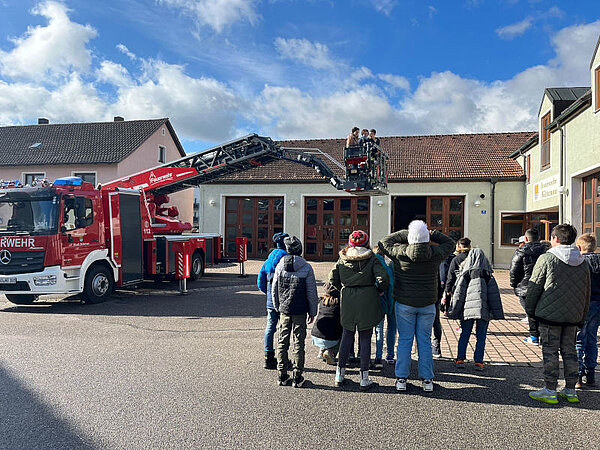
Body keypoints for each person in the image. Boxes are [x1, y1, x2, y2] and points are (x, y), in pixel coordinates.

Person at [379, 220, 454, 393]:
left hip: (404, 303)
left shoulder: (400, 253)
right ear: (427, 237)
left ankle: (401, 379)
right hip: (427, 304)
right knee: (425, 341)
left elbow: (383, 242)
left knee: (405, 341)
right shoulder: (435, 253)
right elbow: (450, 243)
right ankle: (427, 380)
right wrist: (431, 233)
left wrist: (407, 232)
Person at [526, 224, 590, 404]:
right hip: (573, 317)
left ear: (555, 238)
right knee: (570, 352)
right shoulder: (582, 261)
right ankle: (570, 389)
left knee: (550, 352)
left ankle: (549, 389)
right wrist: (582, 316)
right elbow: (587, 292)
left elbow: (534, 287)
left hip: (549, 316)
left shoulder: (547, 258)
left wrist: (531, 311)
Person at [329, 230, 389, 391]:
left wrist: (343, 287)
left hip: (348, 297)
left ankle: (339, 374)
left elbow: (332, 279)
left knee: (347, 334)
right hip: (367, 297)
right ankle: (364, 377)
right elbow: (383, 279)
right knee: (365, 336)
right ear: (365, 242)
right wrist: (379, 290)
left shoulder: (342, 258)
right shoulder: (372, 258)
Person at [272, 236, 319, 388]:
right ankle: (297, 376)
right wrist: (313, 311)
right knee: (298, 343)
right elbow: (311, 292)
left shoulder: (280, 265)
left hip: (285, 309)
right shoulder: (306, 267)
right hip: (300, 310)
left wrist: (277, 306)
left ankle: (282, 375)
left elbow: (274, 289)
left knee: (282, 341)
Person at [447, 248, 504, 370]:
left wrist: (453, 310)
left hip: (467, 311)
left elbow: (458, 295)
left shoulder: (465, 274)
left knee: (465, 333)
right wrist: (497, 313)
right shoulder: (488, 275)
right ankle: (478, 361)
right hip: (483, 310)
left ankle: (460, 359)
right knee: (481, 335)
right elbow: (494, 296)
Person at [509, 228, 546, 346]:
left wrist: (514, 284)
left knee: (530, 311)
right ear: (538, 238)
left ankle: (534, 336)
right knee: (542, 310)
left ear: (525, 239)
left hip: (525, 286)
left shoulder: (521, 251)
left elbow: (514, 270)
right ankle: (542, 335)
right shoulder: (546, 250)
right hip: (543, 285)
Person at [257, 232, 288, 369]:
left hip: (270, 301)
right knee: (283, 328)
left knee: (270, 327)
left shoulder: (268, 260)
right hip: (283, 300)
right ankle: (283, 357)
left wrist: (269, 294)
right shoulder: (286, 258)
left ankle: (268, 356)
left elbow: (260, 283)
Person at [575, 233, 600, 388]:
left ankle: (578, 375)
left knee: (579, 339)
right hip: (598, 305)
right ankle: (590, 373)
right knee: (592, 338)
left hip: (583, 304)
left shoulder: (580, 262)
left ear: (579, 247)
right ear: (595, 247)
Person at [372, 245, 396, 368]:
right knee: (392, 328)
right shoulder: (390, 266)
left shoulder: (373, 264)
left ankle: (378, 356)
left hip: (379, 302)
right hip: (393, 301)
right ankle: (390, 354)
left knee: (378, 330)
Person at [311, 282, 343, 365]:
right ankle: (331, 352)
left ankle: (321, 352)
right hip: (331, 338)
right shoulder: (340, 302)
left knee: (327, 326)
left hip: (315, 335)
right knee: (343, 332)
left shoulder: (322, 301)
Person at [435, 246, 458, 356]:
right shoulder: (453, 257)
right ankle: (436, 347)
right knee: (435, 322)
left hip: (436, 289)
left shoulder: (440, 259)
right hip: (442, 289)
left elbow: (443, 272)